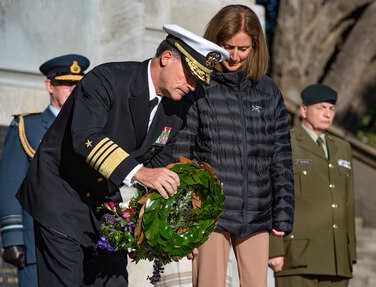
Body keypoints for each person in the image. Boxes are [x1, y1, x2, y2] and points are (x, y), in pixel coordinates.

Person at [15, 24, 228, 287]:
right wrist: (140, 173)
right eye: (190, 76)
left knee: (114, 281)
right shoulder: (107, 79)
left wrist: (173, 229)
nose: (193, 87)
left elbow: (159, 164)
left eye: (199, 81)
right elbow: (86, 138)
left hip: (103, 202)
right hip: (60, 195)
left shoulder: (178, 106)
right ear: (166, 58)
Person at [172, 5, 294, 287]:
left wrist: (284, 212)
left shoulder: (268, 91)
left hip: (258, 212)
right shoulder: (199, 86)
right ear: (215, 41)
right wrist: (181, 216)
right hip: (209, 211)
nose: (235, 56)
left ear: (256, 46)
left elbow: (281, 156)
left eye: (243, 48)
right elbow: (182, 151)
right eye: (228, 47)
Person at [0, 54, 90, 287]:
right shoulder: (27, 127)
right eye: (67, 83)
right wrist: (13, 237)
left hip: (80, 240)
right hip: (36, 240)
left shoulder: (91, 129)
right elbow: (11, 184)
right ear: (50, 85)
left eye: (78, 84)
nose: (73, 89)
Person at [268, 83, 357, 287]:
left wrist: (349, 252)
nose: (327, 114)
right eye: (320, 108)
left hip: (337, 258)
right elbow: (273, 194)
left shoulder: (343, 148)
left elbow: (348, 202)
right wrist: (274, 249)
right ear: (303, 110)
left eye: (331, 109)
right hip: (297, 255)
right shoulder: (286, 143)